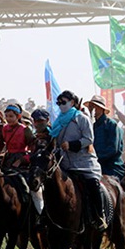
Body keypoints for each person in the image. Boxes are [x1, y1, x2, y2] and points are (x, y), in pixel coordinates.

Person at [51, 90, 107, 231]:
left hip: (84, 163)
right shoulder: (58, 121)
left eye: (64, 102)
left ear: (72, 102)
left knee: (93, 184)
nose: (61, 105)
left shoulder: (82, 118)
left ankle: (99, 216)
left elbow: (89, 139)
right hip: (64, 163)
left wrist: (72, 145)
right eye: (59, 103)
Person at [84, 95, 125, 180]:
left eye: (94, 106)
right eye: (91, 106)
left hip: (111, 166)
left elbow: (113, 149)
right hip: (95, 165)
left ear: (101, 108)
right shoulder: (92, 126)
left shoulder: (112, 125)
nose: (92, 109)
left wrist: (96, 158)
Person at [0, 102, 35, 169]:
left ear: (18, 116)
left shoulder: (25, 129)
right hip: (7, 158)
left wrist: (21, 160)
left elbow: (33, 149)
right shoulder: (4, 128)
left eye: (11, 116)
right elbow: (0, 143)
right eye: (6, 116)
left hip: (21, 159)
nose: (8, 119)